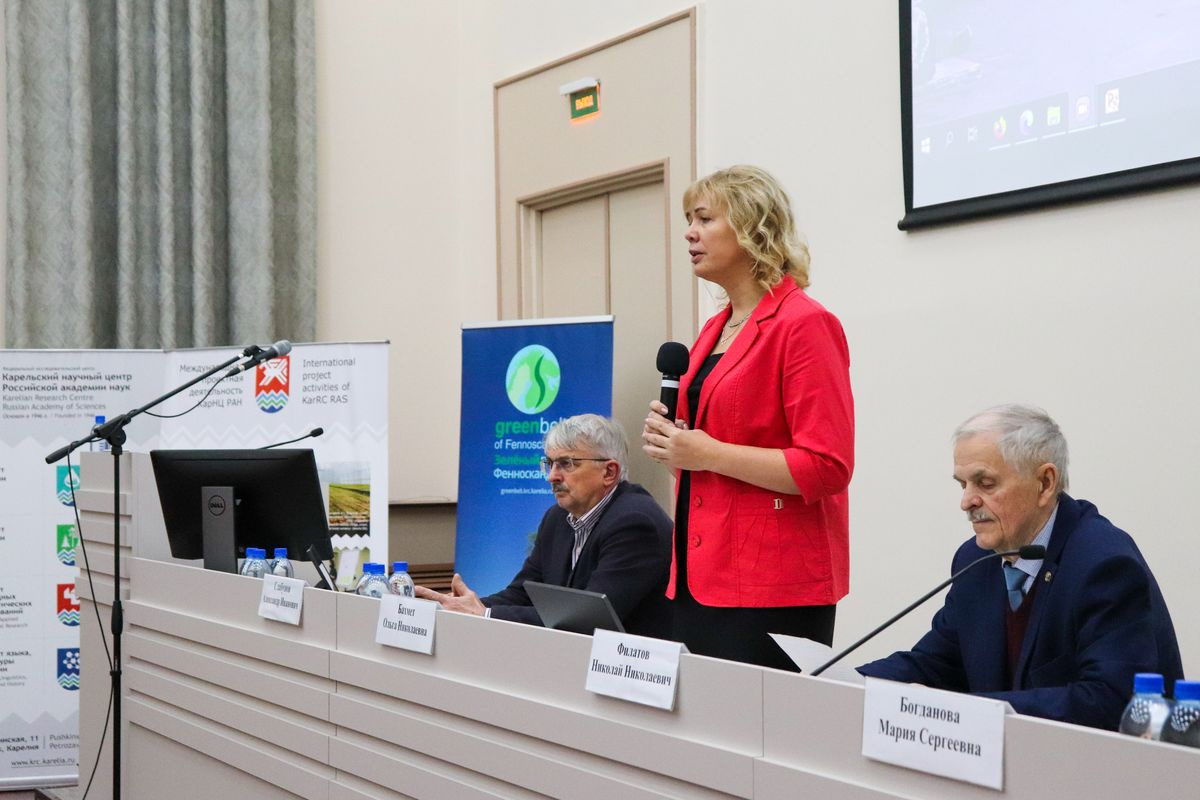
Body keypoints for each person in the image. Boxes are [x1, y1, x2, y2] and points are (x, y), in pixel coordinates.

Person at [641, 165, 854, 669]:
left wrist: (707, 452)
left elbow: (827, 466)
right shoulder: (714, 329)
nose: (689, 233)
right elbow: (707, 462)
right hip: (698, 572)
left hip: (770, 584)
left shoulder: (804, 324)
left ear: (751, 226)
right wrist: (675, 447)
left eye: (704, 218)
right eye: (688, 221)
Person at [858, 404, 1183, 730]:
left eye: (985, 483)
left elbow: (1112, 702)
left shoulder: (1103, 563)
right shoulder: (976, 561)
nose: (967, 501)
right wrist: (847, 683)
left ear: (1045, 483)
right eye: (963, 485)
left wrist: (967, 710)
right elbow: (936, 664)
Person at [416, 414, 673, 637]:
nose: (552, 476)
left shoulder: (636, 523)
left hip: (634, 669)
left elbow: (588, 620)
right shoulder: (557, 518)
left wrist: (485, 614)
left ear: (609, 472)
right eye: (549, 464)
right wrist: (459, 607)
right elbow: (522, 594)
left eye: (566, 464)